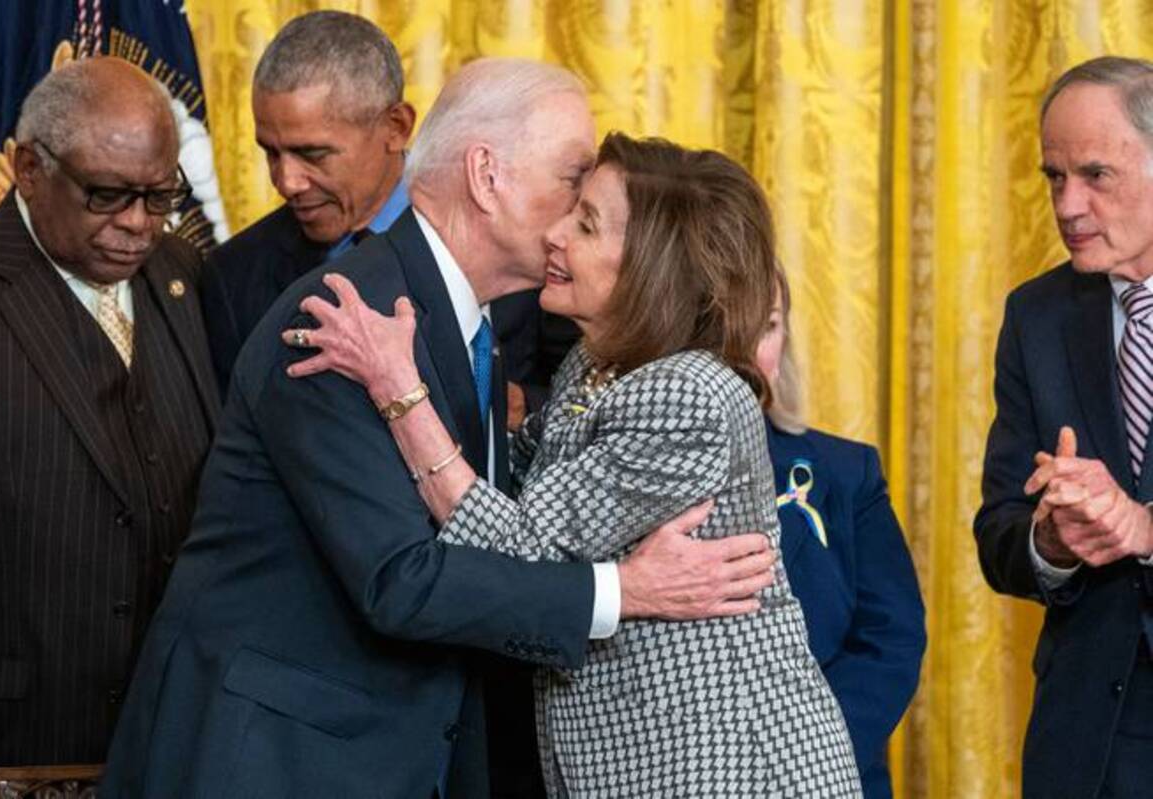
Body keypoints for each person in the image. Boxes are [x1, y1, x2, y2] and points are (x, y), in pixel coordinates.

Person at [101, 60, 776, 798]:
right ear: (488, 177)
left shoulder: (458, 322)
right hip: (275, 758)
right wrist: (626, 589)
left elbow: (508, 526)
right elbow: (401, 578)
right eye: (571, 179)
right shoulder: (347, 321)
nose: (580, 203)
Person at [287, 131, 862, 796]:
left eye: (585, 224)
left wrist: (397, 390)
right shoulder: (595, 366)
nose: (554, 235)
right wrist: (625, 582)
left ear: (651, 267)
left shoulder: (689, 393)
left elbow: (516, 546)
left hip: (726, 769)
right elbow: (515, 481)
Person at [0, 57, 219, 773]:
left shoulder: (183, 275)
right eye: (107, 194)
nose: (138, 224)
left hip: (168, 737)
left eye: (159, 195)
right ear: (30, 169)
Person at [199, 10, 562, 422]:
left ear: (396, 126)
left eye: (312, 154)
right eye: (271, 152)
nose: (287, 181)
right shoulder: (233, 276)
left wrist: (517, 407)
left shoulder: (516, 235)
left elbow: (586, 397)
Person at [976, 55, 1153, 798]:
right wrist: (1050, 542)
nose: (1067, 205)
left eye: (1094, 175)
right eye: (1054, 177)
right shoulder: (1036, 316)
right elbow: (998, 534)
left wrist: (1142, 527)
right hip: (1087, 744)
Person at [756, 268, 926, 798]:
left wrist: (799, 753)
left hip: (827, 778)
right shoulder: (638, 467)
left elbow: (891, 639)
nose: (745, 351)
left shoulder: (846, 472)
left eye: (768, 325)